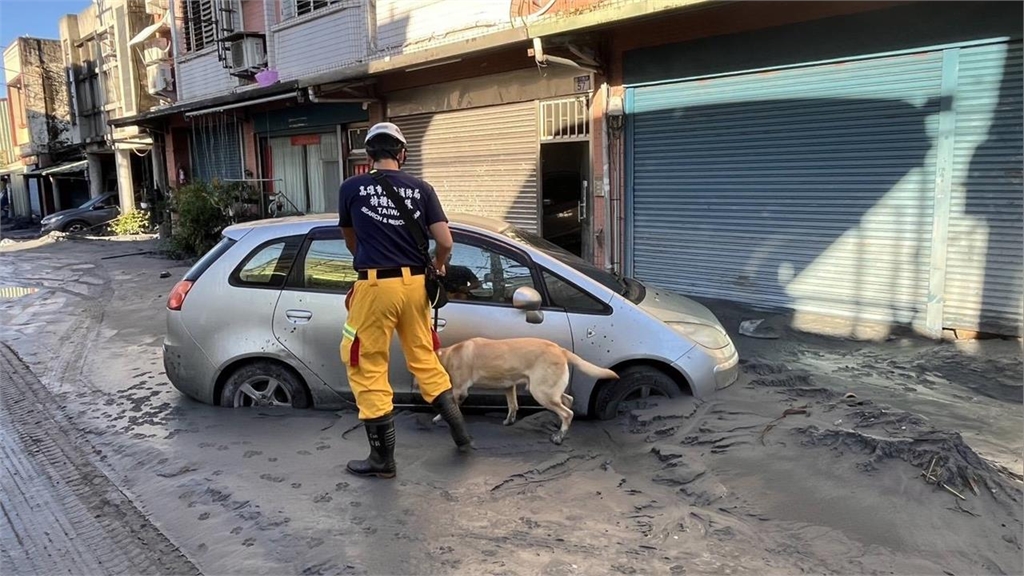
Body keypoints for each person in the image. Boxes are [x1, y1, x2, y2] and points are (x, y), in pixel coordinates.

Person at [338, 121, 474, 479]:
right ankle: (462, 436)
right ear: (402, 153)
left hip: (375, 286)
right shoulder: (422, 188)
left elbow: (350, 239)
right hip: (415, 287)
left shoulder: (351, 187)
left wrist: (365, 255)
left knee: (366, 362)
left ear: (368, 155)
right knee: (423, 356)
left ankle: (383, 460)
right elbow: (444, 242)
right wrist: (440, 267)